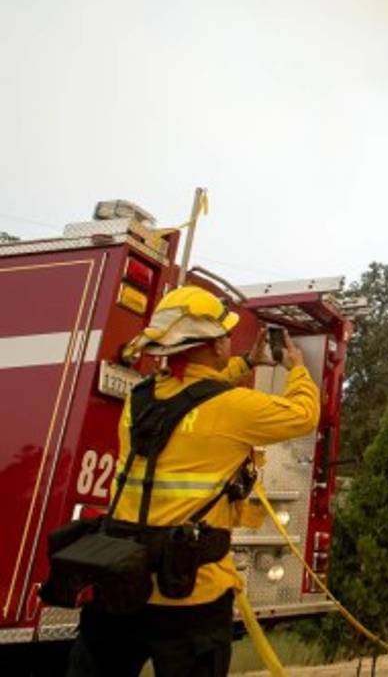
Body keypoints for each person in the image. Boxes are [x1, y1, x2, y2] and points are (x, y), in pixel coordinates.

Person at [66, 285, 320, 677]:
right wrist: (296, 368)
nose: (229, 341)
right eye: (225, 334)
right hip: (191, 593)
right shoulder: (233, 408)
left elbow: (190, 397)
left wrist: (244, 363)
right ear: (215, 344)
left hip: (121, 581)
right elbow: (304, 414)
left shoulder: (139, 399)